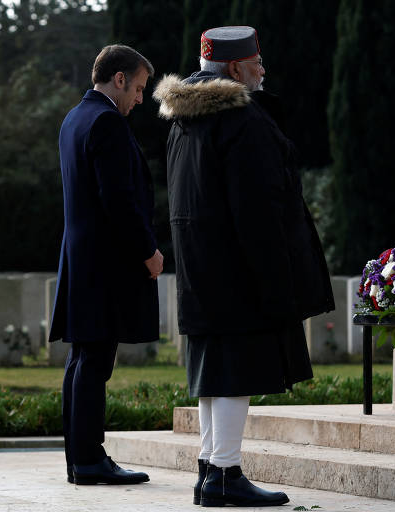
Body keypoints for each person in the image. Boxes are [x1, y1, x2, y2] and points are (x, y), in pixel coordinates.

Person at [154, 26, 334, 507]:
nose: (263, 70)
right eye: (257, 62)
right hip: (239, 270)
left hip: (202, 269)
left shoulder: (182, 120)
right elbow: (257, 208)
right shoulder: (241, 120)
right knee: (235, 372)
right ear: (235, 68)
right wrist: (276, 280)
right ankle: (226, 474)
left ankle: (211, 468)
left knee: (214, 374)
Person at [49, 44, 163, 485]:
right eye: (136, 88)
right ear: (118, 79)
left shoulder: (73, 119)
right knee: (95, 362)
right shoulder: (107, 122)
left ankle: (79, 459)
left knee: (81, 360)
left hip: (81, 259)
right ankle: (92, 461)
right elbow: (119, 201)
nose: (138, 98)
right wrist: (149, 252)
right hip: (106, 264)